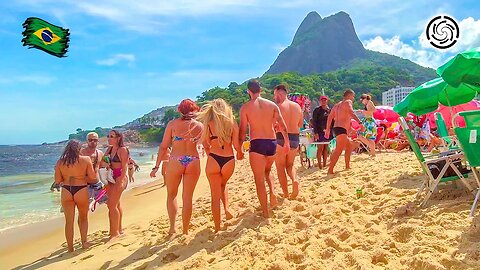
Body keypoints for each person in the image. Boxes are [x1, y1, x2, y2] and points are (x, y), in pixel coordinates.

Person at [150, 99, 203, 235]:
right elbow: (205, 144)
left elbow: (163, 146)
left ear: (180, 110)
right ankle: (185, 230)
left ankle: (172, 227)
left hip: (175, 160)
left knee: (172, 195)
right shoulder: (199, 126)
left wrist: (156, 166)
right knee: (187, 198)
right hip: (193, 160)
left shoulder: (172, 124)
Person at [239, 79, 289, 218]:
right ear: (260, 90)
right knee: (268, 170)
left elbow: (242, 131)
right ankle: (272, 192)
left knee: (259, 179)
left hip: (257, 143)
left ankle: (266, 212)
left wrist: (239, 149)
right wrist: (286, 142)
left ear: (249, 91)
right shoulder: (272, 105)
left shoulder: (246, 108)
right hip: (272, 143)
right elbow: (282, 125)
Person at [197, 98, 243, 232]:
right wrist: (240, 153)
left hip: (213, 159)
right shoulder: (231, 121)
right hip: (228, 159)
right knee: (223, 184)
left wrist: (210, 154)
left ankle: (217, 227)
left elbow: (205, 144)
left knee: (214, 194)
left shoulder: (208, 123)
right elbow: (235, 145)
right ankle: (227, 209)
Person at [54, 140, 97, 252]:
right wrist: (82, 177)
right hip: (81, 189)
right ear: (79, 148)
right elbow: (93, 177)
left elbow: (57, 180)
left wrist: (68, 178)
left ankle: (70, 248)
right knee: (83, 218)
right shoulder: (85, 160)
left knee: (69, 221)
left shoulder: (60, 162)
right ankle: (84, 242)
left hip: (66, 190)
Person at [273, 84, 303, 199]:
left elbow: (273, 124)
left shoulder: (278, 107)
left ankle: (286, 193)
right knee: (290, 165)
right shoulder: (297, 106)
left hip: (281, 137)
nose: (274, 97)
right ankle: (295, 180)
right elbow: (300, 124)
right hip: (295, 137)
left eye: (275, 94)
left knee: (280, 166)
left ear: (279, 94)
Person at [324, 89, 363, 175]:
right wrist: (360, 122)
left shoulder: (337, 105)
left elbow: (330, 117)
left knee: (349, 147)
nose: (353, 98)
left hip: (337, 128)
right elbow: (351, 112)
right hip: (341, 129)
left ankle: (347, 166)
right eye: (353, 96)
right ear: (349, 95)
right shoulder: (348, 102)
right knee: (339, 150)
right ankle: (330, 170)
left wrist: (328, 129)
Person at [104, 130, 129, 239]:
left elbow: (125, 166)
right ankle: (116, 229)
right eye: (108, 136)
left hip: (120, 177)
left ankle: (115, 234)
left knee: (112, 204)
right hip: (110, 177)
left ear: (118, 138)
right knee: (115, 204)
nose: (109, 138)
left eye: (112, 136)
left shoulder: (122, 150)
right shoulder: (109, 149)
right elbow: (102, 161)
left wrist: (121, 180)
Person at [312, 95, 334, 169]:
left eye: (325, 100)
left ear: (327, 101)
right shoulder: (317, 110)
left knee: (326, 148)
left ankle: (324, 164)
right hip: (320, 131)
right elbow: (314, 122)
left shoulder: (329, 110)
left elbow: (332, 121)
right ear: (320, 101)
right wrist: (315, 133)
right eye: (322, 100)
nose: (323, 102)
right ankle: (319, 164)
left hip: (328, 131)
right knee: (320, 148)